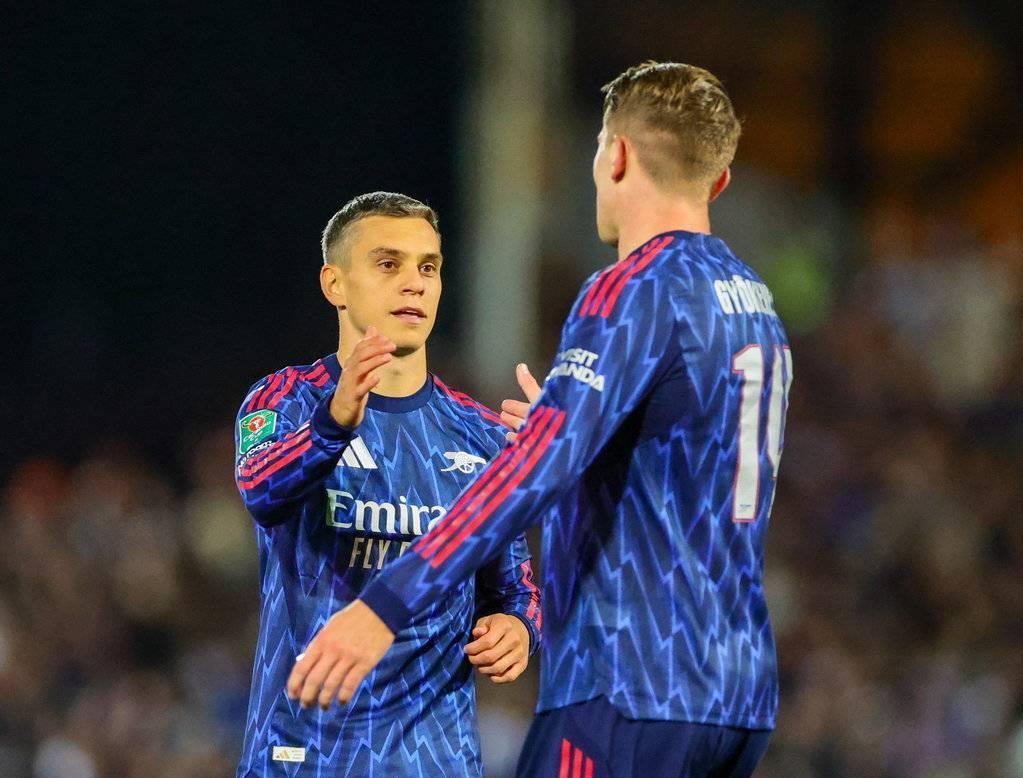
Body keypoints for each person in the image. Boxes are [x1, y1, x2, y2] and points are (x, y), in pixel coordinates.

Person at [287, 62, 793, 778]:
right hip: (737, 696)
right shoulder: (754, 301)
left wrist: (388, 603)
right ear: (718, 181)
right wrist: (580, 438)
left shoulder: (632, 288)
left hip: (628, 684)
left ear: (616, 154)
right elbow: (681, 466)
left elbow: (531, 473)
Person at [234, 192, 542, 777]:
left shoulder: (482, 436)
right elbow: (262, 492)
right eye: (387, 263)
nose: (414, 284)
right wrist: (331, 424)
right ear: (335, 284)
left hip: (435, 759)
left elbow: (513, 588)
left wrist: (518, 629)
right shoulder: (286, 400)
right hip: (305, 754)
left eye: (428, 267)